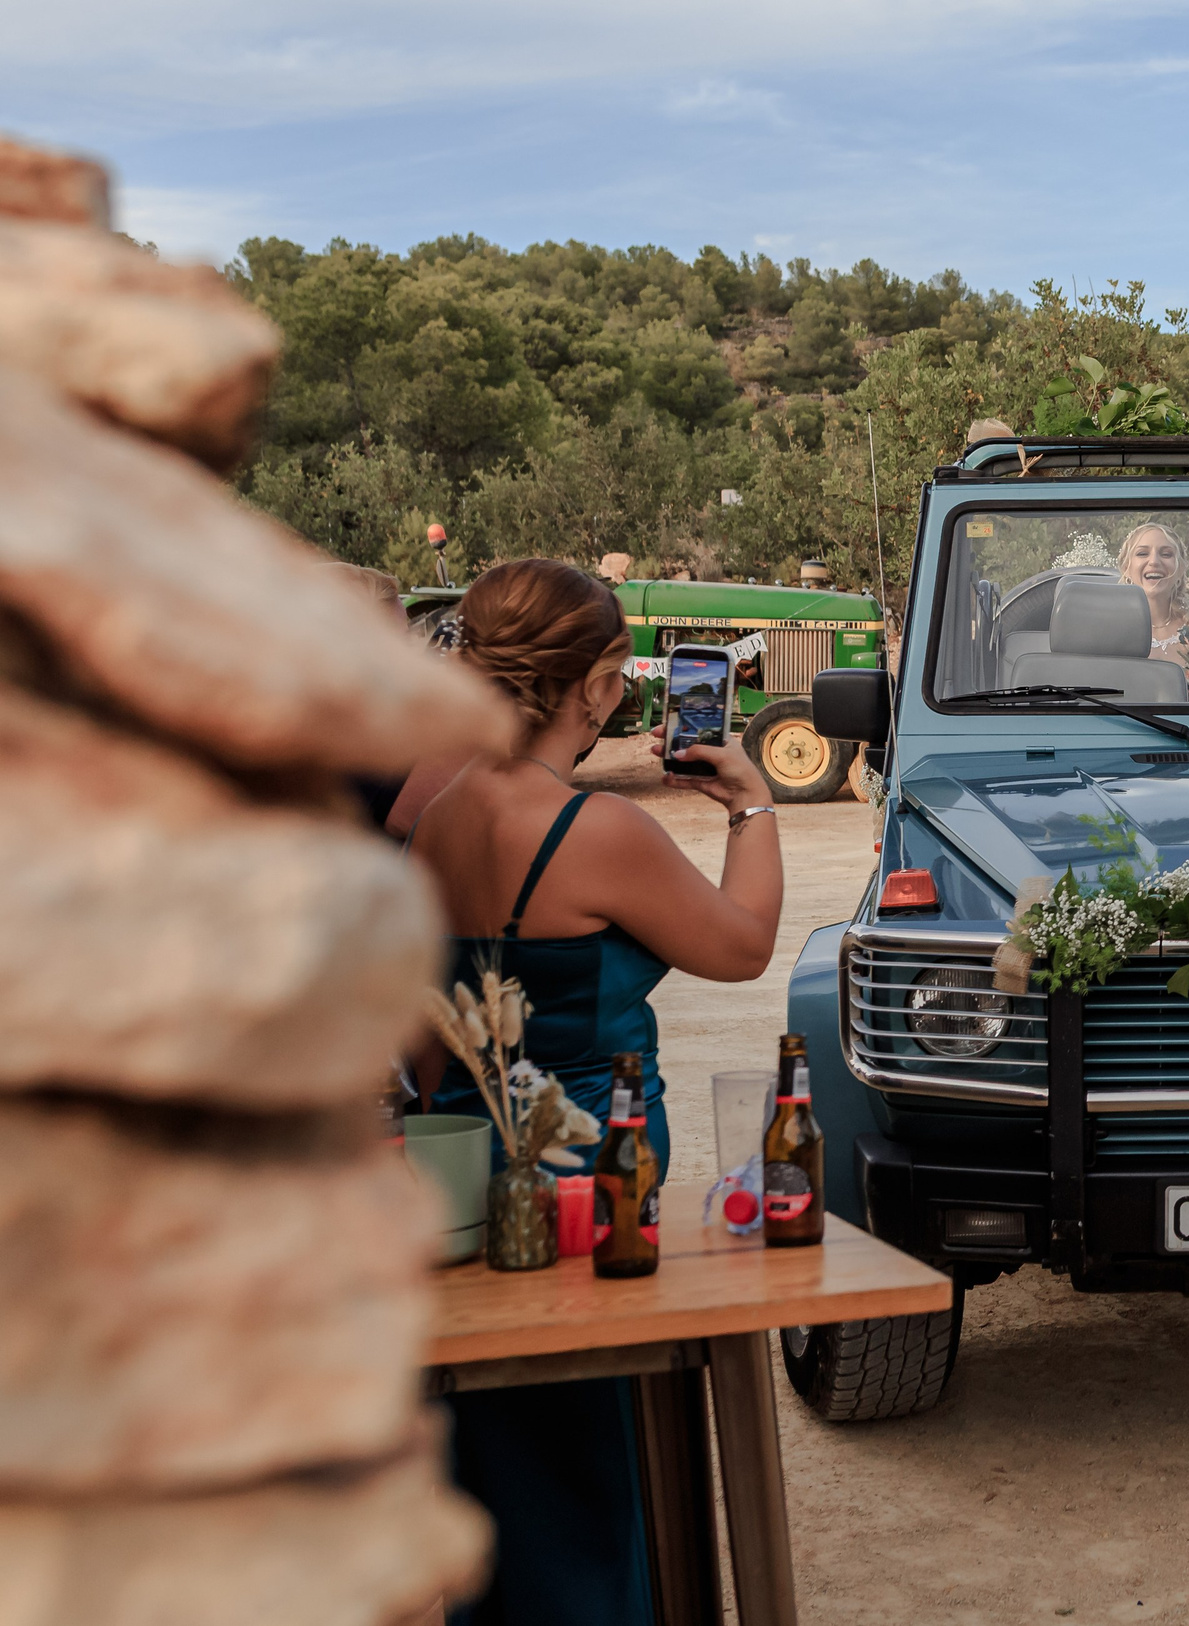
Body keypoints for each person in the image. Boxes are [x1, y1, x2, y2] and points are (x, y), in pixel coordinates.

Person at [405, 558, 784, 1626]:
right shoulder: (594, 833)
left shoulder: (430, 813)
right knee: (596, 1466)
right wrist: (750, 806)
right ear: (599, 685)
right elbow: (744, 945)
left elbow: (419, 1040)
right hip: (589, 1182)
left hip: (462, 1185)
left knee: (499, 1475)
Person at [1118, 522, 1189, 675]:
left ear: (1180, 569)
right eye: (1142, 553)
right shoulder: (1112, 629)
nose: (1154, 561)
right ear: (1127, 568)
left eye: (1166, 554)